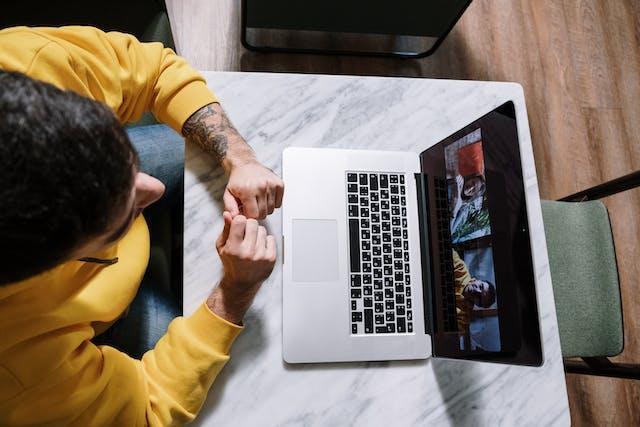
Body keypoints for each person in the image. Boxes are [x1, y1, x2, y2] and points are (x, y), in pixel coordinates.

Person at [0, 26, 284, 425]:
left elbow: (153, 70)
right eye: (120, 223)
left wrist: (240, 158)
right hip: (95, 328)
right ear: (56, 263)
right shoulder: (17, 370)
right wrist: (235, 293)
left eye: (123, 152)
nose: (155, 185)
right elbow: (148, 407)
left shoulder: (25, 63)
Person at [452, 249, 496, 334]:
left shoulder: (463, 319)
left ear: (477, 304)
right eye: (481, 286)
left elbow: (449, 338)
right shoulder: (460, 268)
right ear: (477, 280)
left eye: (479, 297)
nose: (477, 291)